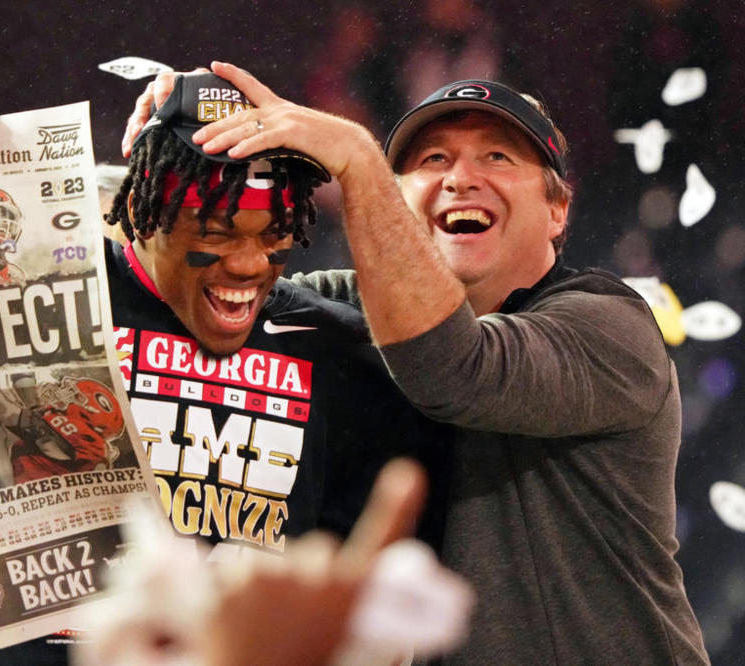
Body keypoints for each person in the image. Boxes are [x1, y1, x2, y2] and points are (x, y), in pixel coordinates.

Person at [125, 63, 709, 663]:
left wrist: (354, 154)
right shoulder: (353, 307)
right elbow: (208, 291)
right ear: (399, 201)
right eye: (432, 160)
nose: (461, 178)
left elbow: (455, 368)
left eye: (498, 157)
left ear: (558, 208)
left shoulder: (610, 326)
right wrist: (181, 134)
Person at [0, 74, 447, 663]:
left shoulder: (339, 352)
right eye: (216, 232)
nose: (250, 264)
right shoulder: (45, 294)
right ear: (143, 217)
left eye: (274, 234)